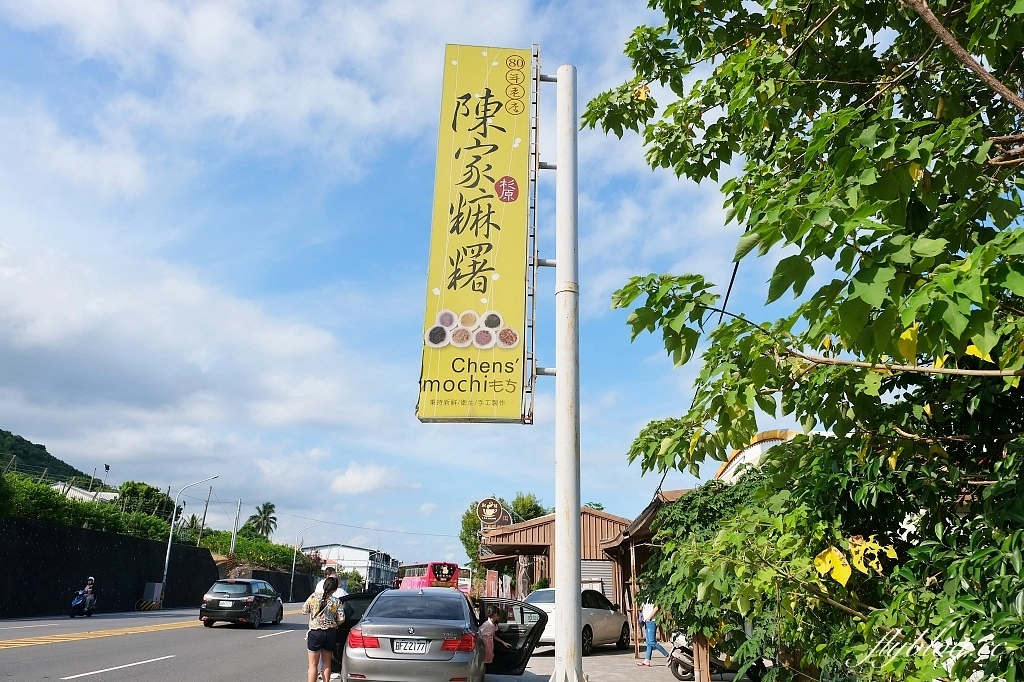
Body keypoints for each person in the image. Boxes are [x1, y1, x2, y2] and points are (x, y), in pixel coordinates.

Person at [302, 576, 344, 682]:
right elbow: (342, 619)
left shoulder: (313, 597)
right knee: (327, 663)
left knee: (313, 664)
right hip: (330, 633)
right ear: (335, 589)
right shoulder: (336, 601)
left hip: (315, 633)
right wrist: (334, 623)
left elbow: (304, 610)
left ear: (324, 585)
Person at [638, 602, 669, 666]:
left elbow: (657, 607)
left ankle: (668, 655)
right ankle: (647, 660)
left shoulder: (653, 597)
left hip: (651, 621)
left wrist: (649, 617)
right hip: (646, 621)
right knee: (648, 642)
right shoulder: (645, 597)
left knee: (652, 642)